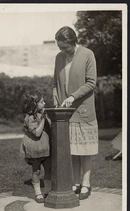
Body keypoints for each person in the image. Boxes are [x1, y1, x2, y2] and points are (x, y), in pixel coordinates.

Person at [53, 26, 98, 200]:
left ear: (73, 42)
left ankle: (86, 184)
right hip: (66, 112)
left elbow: (91, 82)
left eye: (65, 47)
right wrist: (56, 98)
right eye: (59, 47)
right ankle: (75, 183)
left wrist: (72, 97)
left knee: (85, 150)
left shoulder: (88, 54)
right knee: (71, 150)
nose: (62, 51)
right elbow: (55, 83)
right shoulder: (59, 58)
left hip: (84, 110)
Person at [20, 90, 51, 203]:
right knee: (36, 171)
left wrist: (45, 118)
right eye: (42, 102)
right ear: (34, 104)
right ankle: (38, 193)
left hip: (45, 148)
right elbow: (37, 133)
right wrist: (43, 119)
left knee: (48, 169)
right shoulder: (30, 118)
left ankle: (48, 191)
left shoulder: (42, 114)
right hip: (34, 149)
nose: (44, 103)